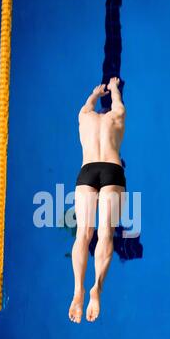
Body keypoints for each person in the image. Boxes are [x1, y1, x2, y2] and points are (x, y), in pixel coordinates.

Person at [69, 77, 126, 323]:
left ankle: (78, 290)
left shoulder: (84, 116)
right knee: (105, 234)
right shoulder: (118, 116)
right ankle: (97, 288)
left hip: (87, 170)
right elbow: (117, 103)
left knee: (83, 233)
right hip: (112, 170)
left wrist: (94, 93)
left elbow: (88, 104)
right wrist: (113, 88)